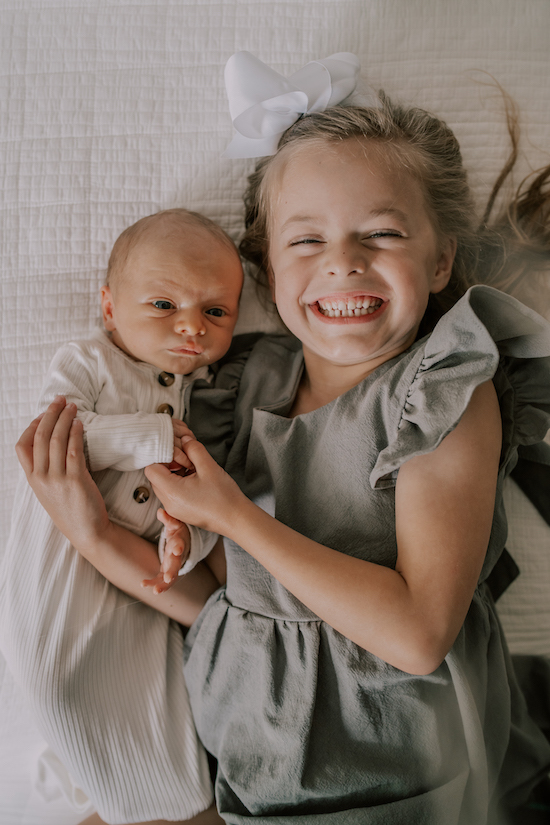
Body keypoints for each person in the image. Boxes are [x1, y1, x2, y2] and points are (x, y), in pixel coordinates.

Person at [5, 97, 550, 825]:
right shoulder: (244, 388)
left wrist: (235, 516)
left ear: (440, 258)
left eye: (382, 233)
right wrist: (92, 534)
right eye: (306, 240)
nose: (343, 261)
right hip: (249, 775)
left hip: (400, 780)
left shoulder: (439, 389)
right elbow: (224, 603)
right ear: (266, 269)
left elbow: (419, 635)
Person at [1, 207, 244, 825]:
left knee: (159, 720)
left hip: (134, 592)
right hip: (61, 573)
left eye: (216, 312)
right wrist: (159, 439)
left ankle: (152, 801)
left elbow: (182, 508)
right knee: (66, 685)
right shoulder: (90, 362)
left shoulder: (201, 394)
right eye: (164, 305)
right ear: (109, 308)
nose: (191, 325)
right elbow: (56, 439)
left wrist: (179, 538)